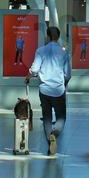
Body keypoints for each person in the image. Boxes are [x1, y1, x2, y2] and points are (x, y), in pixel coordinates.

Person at [26, 26, 71, 156]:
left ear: (48, 36)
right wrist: (64, 84)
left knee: (46, 117)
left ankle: (49, 142)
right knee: (61, 117)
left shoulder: (41, 51)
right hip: (58, 90)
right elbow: (67, 74)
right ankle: (54, 134)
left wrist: (28, 77)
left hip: (44, 90)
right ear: (57, 37)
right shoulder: (64, 53)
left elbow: (34, 70)